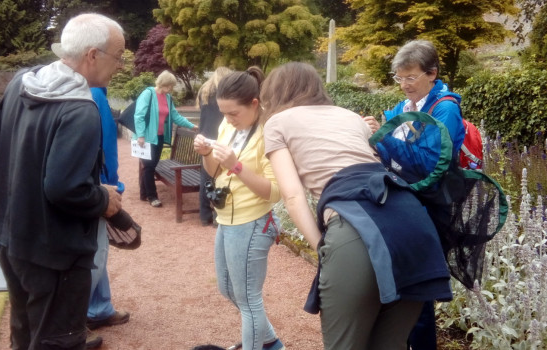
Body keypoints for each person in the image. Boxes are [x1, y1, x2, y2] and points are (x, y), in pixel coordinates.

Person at [260, 62, 453, 349]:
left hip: (354, 226)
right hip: (414, 225)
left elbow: (293, 196)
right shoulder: (351, 117)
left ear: (275, 93)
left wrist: (320, 247)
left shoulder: (278, 122)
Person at [0, 13, 124, 350]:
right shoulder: (81, 110)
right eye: (118, 56)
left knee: (24, 329)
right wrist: (103, 199)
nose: (121, 65)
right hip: (55, 253)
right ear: (93, 55)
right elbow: (65, 188)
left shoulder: (22, 81)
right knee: (57, 341)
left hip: (11, 237)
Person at [192, 67, 285, 350]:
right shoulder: (228, 125)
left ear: (254, 104)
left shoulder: (270, 131)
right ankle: (270, 343)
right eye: (224, 113)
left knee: (248, 299)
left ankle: (262, 343)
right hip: (227, 218)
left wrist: (236, 165)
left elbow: (274, 191)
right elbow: (212, 171)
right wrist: (208, 154)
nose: (228, 120)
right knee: (229, 289)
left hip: (253, 221)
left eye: (234, 113)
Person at [384, 39, 465, 350]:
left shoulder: (444, 109)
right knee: (402, 291)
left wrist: (383, 136)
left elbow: (430, 165)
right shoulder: (406, 107)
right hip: (405, 206)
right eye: (399, 78)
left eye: (410, 77)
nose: (404, 85)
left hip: (430, 209)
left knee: (417, 296)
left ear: (432, 74)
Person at [86, 87, 130, 348]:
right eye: (116, 57)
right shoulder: (89, 91)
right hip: (94, 187)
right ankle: (73, 321)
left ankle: (100, 308)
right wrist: (107, 185)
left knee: (99, 252)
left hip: (97, 183)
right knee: (94, 254)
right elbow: (100, 143)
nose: (120, 66)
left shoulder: (93, 91)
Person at [134, 70, 198, 207]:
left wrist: (192, 126)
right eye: (169, 86)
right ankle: (152, 197)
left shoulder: (168, 98)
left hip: (160, 137)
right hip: (146, 138)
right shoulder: (148, 94)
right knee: (149, 167)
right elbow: (139, 115)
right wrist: (140, 135)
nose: (170, 89)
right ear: (163, 83)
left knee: (150, 166)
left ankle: (143, 193)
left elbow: (175, 116)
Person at [196, 67, 233, 226]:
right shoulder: (224, 94)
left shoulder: (205, 92)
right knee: (220, 176)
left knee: (205, 177)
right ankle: (218, 213)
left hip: (204, 136)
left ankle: (204, 215)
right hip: (219, 136)